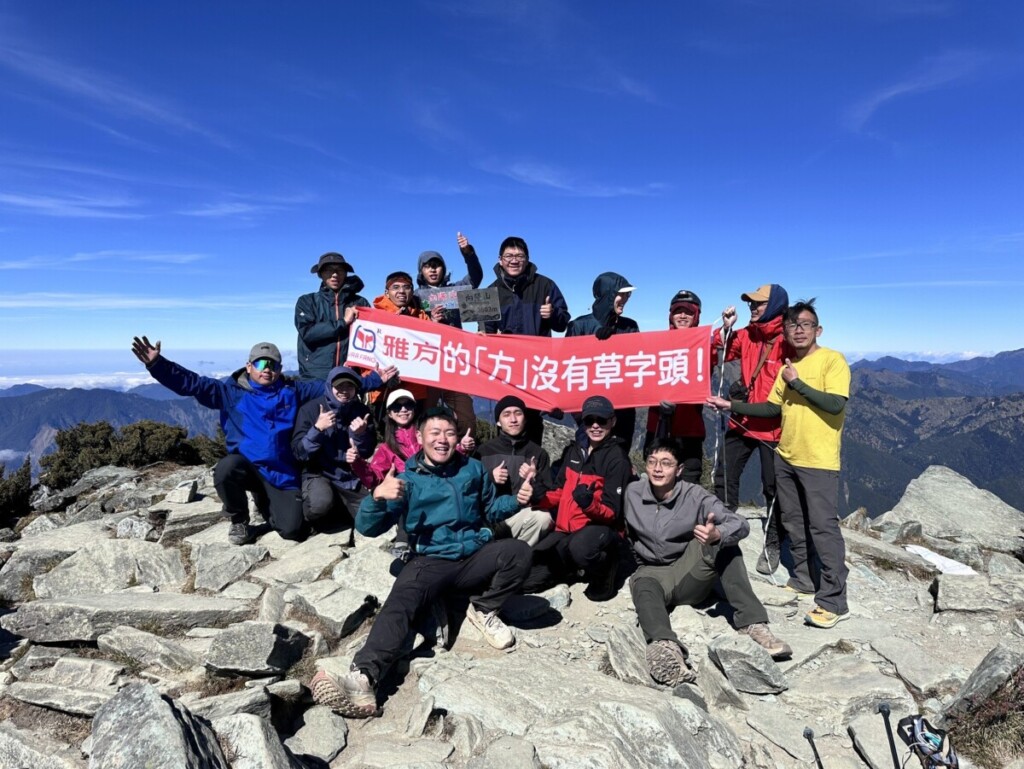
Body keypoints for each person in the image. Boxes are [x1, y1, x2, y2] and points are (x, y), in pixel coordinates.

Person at [309, 407, 532, 718]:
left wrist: (516, 501)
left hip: (473, 556)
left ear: (458, 437)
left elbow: (490, 509)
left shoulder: (473, 469)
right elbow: (367, 528)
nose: (442, 440)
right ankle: (363, 677)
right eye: (435, 434)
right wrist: (376, 498)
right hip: (430, 559)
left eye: (449, 433)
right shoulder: (406, 480)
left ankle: (482, 609)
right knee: (401, 601)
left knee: (518, 552)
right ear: (419, 438)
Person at [708, 299, 851, 629]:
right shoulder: (787, 365)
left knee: (823, 527)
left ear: (819, 329)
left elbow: (834, 404)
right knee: (794, 521)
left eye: (805, 324)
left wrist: (797, 382)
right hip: (786, 454)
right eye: (792, 325)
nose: (798, 330)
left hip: (818, 460)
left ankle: (834, 600)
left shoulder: (832, 360)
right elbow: (771, 409)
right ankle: (803, 579)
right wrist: (731, 404)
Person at [626, 438, 792, 687]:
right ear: (645, 466)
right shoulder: (632, 493)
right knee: (641, 584)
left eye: (666, 463)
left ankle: (752, 623)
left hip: (687, 570)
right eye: (652, 462)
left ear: (679, 470)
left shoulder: (695, 496)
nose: (658, 469)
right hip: (651, 571)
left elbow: (739, 524)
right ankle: (665, 647)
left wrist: (718, 534)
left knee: (724, 544)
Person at [130, 337, 321, 544]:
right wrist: (158, 365)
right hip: (247, 468)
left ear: (280, 368)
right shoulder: (231, 393)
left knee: (292, 530)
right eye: (260, 363)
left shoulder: (293, 391)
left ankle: (265, 500)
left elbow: (333, 388)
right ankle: (239, 520)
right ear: (249, 366)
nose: (267, 369)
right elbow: (192, 384)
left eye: (272, 364)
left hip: (281, 473)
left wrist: (360, 380)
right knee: (225, 469)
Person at [713, 283, 793, 575]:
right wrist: (725, 329)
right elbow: (716, 351)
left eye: (758, 303)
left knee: (773, 487)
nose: (752, 307)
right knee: (724, 473)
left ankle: (773, 541)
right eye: (751, 303)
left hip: (774, 427)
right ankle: (722, 530)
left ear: (775, 306)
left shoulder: (788, 341)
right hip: (743, 421)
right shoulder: (746, 335)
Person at [522, 395, 634, 601]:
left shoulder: (617, 458)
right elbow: (559, 491)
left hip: (600, 531)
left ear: (613, 422)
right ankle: (573, 569)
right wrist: (540, 497)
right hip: (565, 530)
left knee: (581, 548)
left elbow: (612, 512)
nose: (595, 426)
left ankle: (607, 568)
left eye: (602, 420)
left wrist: (589, 504)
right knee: (529, 577)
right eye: (589, 420)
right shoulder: (575, 451)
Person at [484, 236, 571, 445]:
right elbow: (485, 333)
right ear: (500, 260)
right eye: (509, 256)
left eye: (519, 256)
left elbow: (563, 323)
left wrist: (552, 314)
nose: (514, 260)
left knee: (532, 423)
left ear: (527, 259)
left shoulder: (545, 285)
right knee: (507, 417)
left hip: (535, 369)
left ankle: (534, 471)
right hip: (505, 369)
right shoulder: (490, 291)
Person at [291, 366, 376, 532]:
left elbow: (367, 451)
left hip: (348, 476)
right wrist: (317, 430)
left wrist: (360, 435)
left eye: (349, 386)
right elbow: (299, 453)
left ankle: (339, 507)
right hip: (318, 473)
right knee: (319, 505)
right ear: (330, 387)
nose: (344, 391)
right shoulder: (310, 410)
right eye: (339, 386)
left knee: (371, 516)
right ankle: (318, 515)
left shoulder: (361, 411)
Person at [415, 233, 483, 438]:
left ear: (443, 268)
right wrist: (429, 322)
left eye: (437, 265)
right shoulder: (416, 296)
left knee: (466, 418)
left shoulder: (454, 291)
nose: (433, 269)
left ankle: (463, 454)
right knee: (426, 416)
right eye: (427, 266)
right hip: (428, 364)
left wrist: (468, 253)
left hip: (455, 362)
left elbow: (475, 278)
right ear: (421, 271)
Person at [644, 290, 711, 485]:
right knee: (657, 478)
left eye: (688, 312)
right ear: (670, 315)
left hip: (689, 428)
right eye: (678, 311)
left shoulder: (705, 344)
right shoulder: (656, 344)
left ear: (696, 315)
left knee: (689, 481)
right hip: (658, 424)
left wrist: (726, 327)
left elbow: (721, 351)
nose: (682, 316)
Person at [567, 272, 639, 448]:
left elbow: (638, 365)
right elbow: (567, 372)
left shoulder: (630, 326)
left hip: (623, 414)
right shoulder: (579, 326)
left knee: (618, 463)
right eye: (621, 294)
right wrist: (581, 416)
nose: (626, 298)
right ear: (608, 295)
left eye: (628, 294)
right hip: (590, 415)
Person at [474, 395, 555, 546]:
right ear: (498, 421)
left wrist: (534, 479)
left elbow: (547, 498)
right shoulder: (483, 451)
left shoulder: (538, 453)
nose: (513, 419)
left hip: (522, 517)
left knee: (543, 518)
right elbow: (470, 489)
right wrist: (490, 477)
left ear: (525, 418)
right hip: (490, 518)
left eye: (518, 413)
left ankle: (517, 556)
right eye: (506, 414)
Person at [295, 252, 371, 382]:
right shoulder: (307, 301)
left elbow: (371, 336)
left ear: (346, 273)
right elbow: (308, 333)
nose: (335, 274)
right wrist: (344, 322)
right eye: (329, 270)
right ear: (320, 274)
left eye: (340, 270)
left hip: (348, 377)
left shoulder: (360, 303)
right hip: (314, 377)